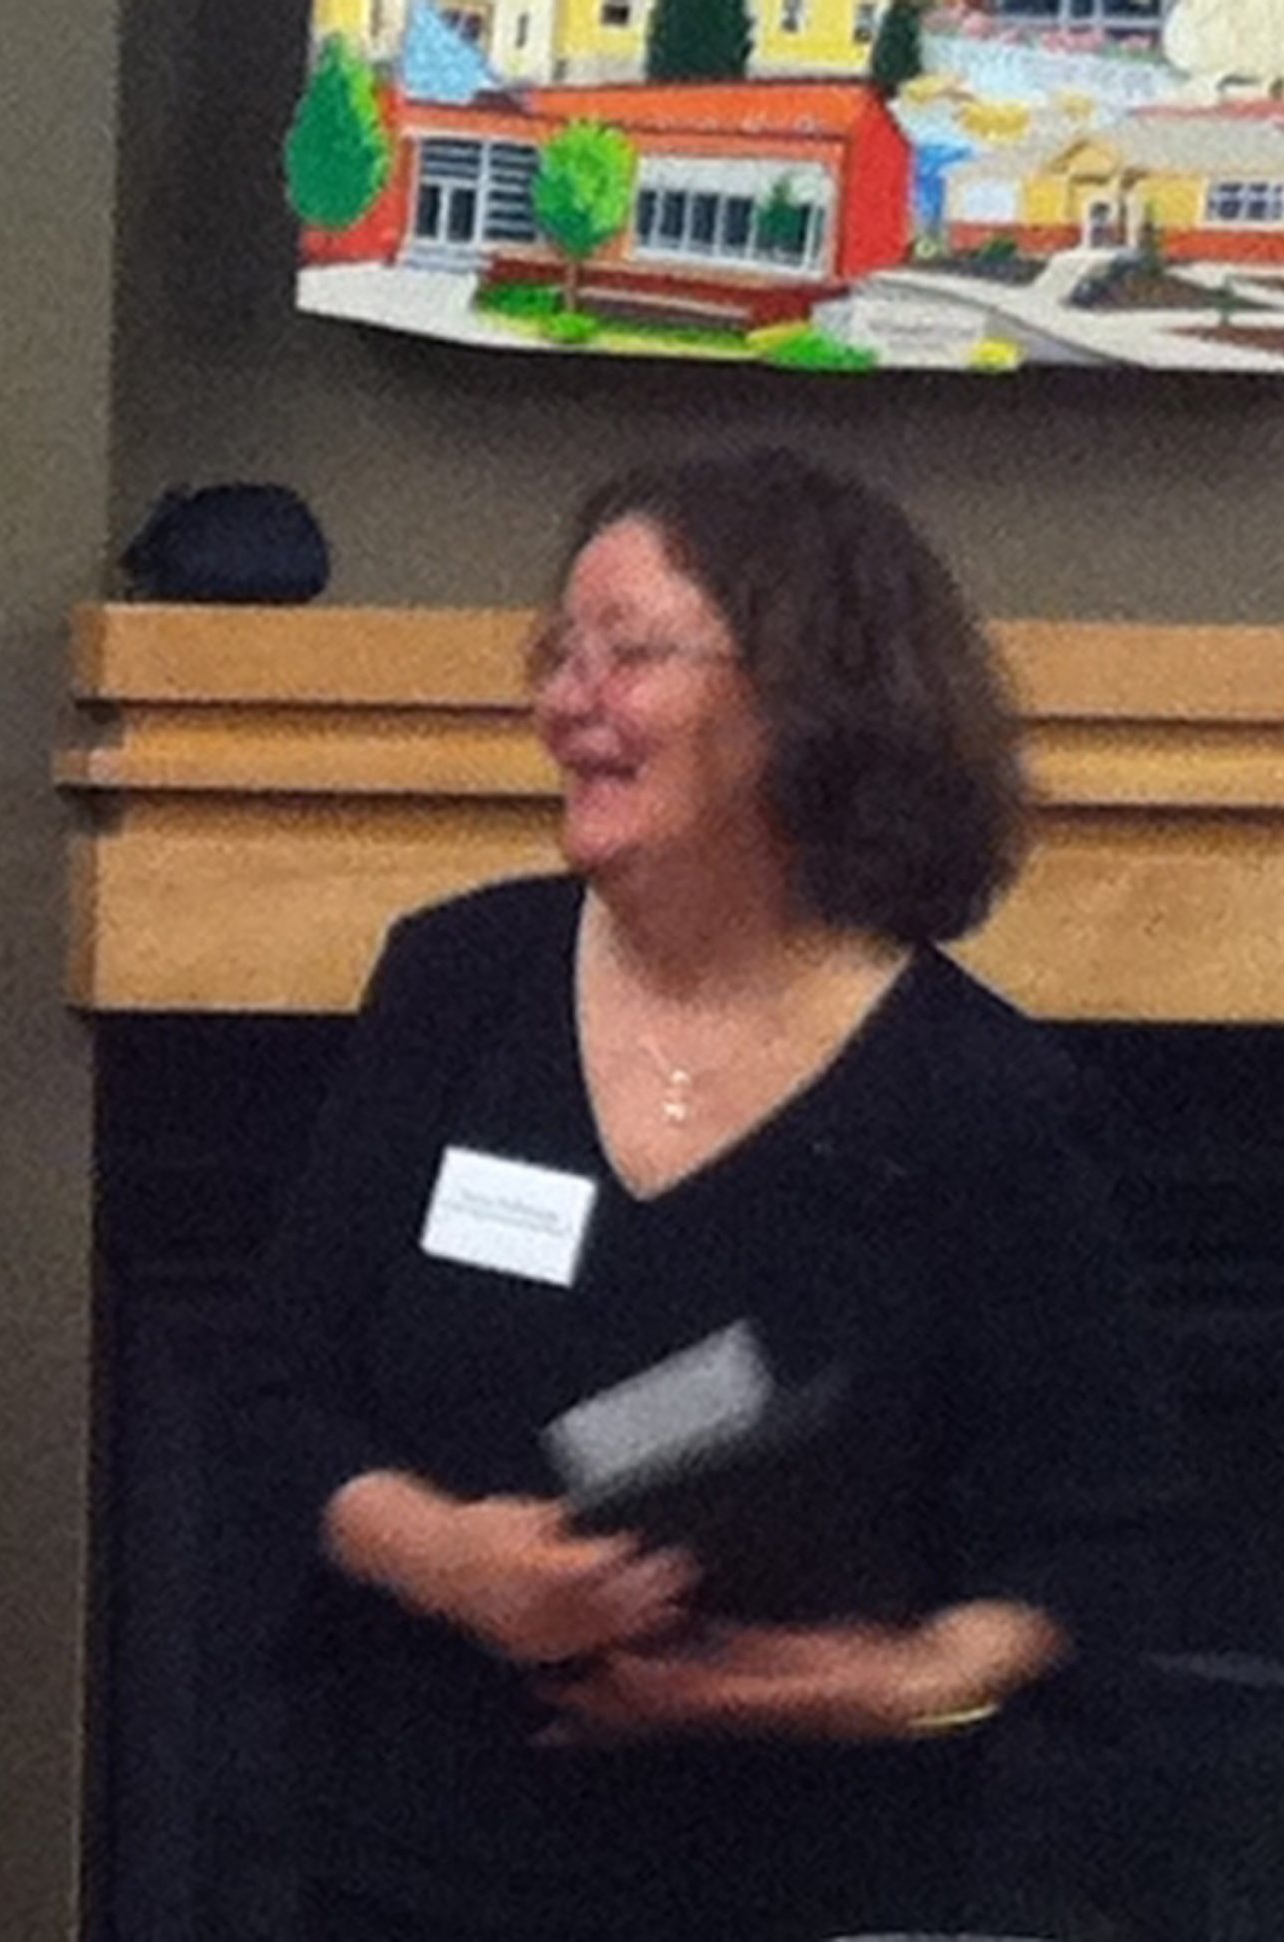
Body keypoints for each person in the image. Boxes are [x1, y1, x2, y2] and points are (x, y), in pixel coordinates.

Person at [234, 449, 1178, 1941]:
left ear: (803, 701)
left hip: (810, 1876)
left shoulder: (979, 1097)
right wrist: (450, 1559)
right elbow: (278, 1391)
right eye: (560, 652)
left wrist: (886, 1682)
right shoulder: (458, 985)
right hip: (416, 1851)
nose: (566, 700)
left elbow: (1100, 1533)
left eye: (631, 652)